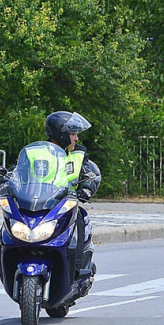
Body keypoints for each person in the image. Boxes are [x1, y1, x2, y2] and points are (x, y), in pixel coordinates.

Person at [44, 111, 101, 275]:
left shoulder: (78, 154)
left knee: (79, 217)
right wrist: (8, 180)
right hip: (40, 202)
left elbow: (88, 173)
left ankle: (75, 269)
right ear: (61, 134)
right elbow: (19, 170)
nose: (76, 138)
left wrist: (86, 188)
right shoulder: (39, 153)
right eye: (73, 134)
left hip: (66, 203)